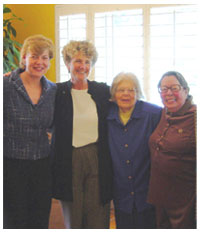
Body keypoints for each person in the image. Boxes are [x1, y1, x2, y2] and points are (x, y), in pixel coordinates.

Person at [52, 40, 113, 229]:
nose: (83, 66)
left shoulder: (102, 90)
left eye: (88, 62)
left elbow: (127, 98)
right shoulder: (56, 91)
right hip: (68, 158)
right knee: (73, 214)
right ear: (68, 64)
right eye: (78, 61)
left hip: (96, 156)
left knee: (97, 212)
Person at [3, 34, 57, 229]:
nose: (39, 62)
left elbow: (54, 124)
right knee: (15, 219)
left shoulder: (52, 90)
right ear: (24, 57)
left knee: (40, 218)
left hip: (42, 165)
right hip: (11, 165)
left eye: (45, 58)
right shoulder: (6, 85)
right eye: (34, 56)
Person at [107, 72, 162, 229]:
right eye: (121, 90)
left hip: (147, 192)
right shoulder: (107, 117)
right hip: (121, 194)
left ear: (138, 93)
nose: (126, 94)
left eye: (131, 90)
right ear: (114, 94)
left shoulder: (154, 114)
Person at [147, 71, 196, 228]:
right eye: (163, 89)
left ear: (185, 90)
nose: (168, 93)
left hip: (185, 201)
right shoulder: (163, 113)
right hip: (160, 195)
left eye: (174, 88)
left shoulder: (195, 118)